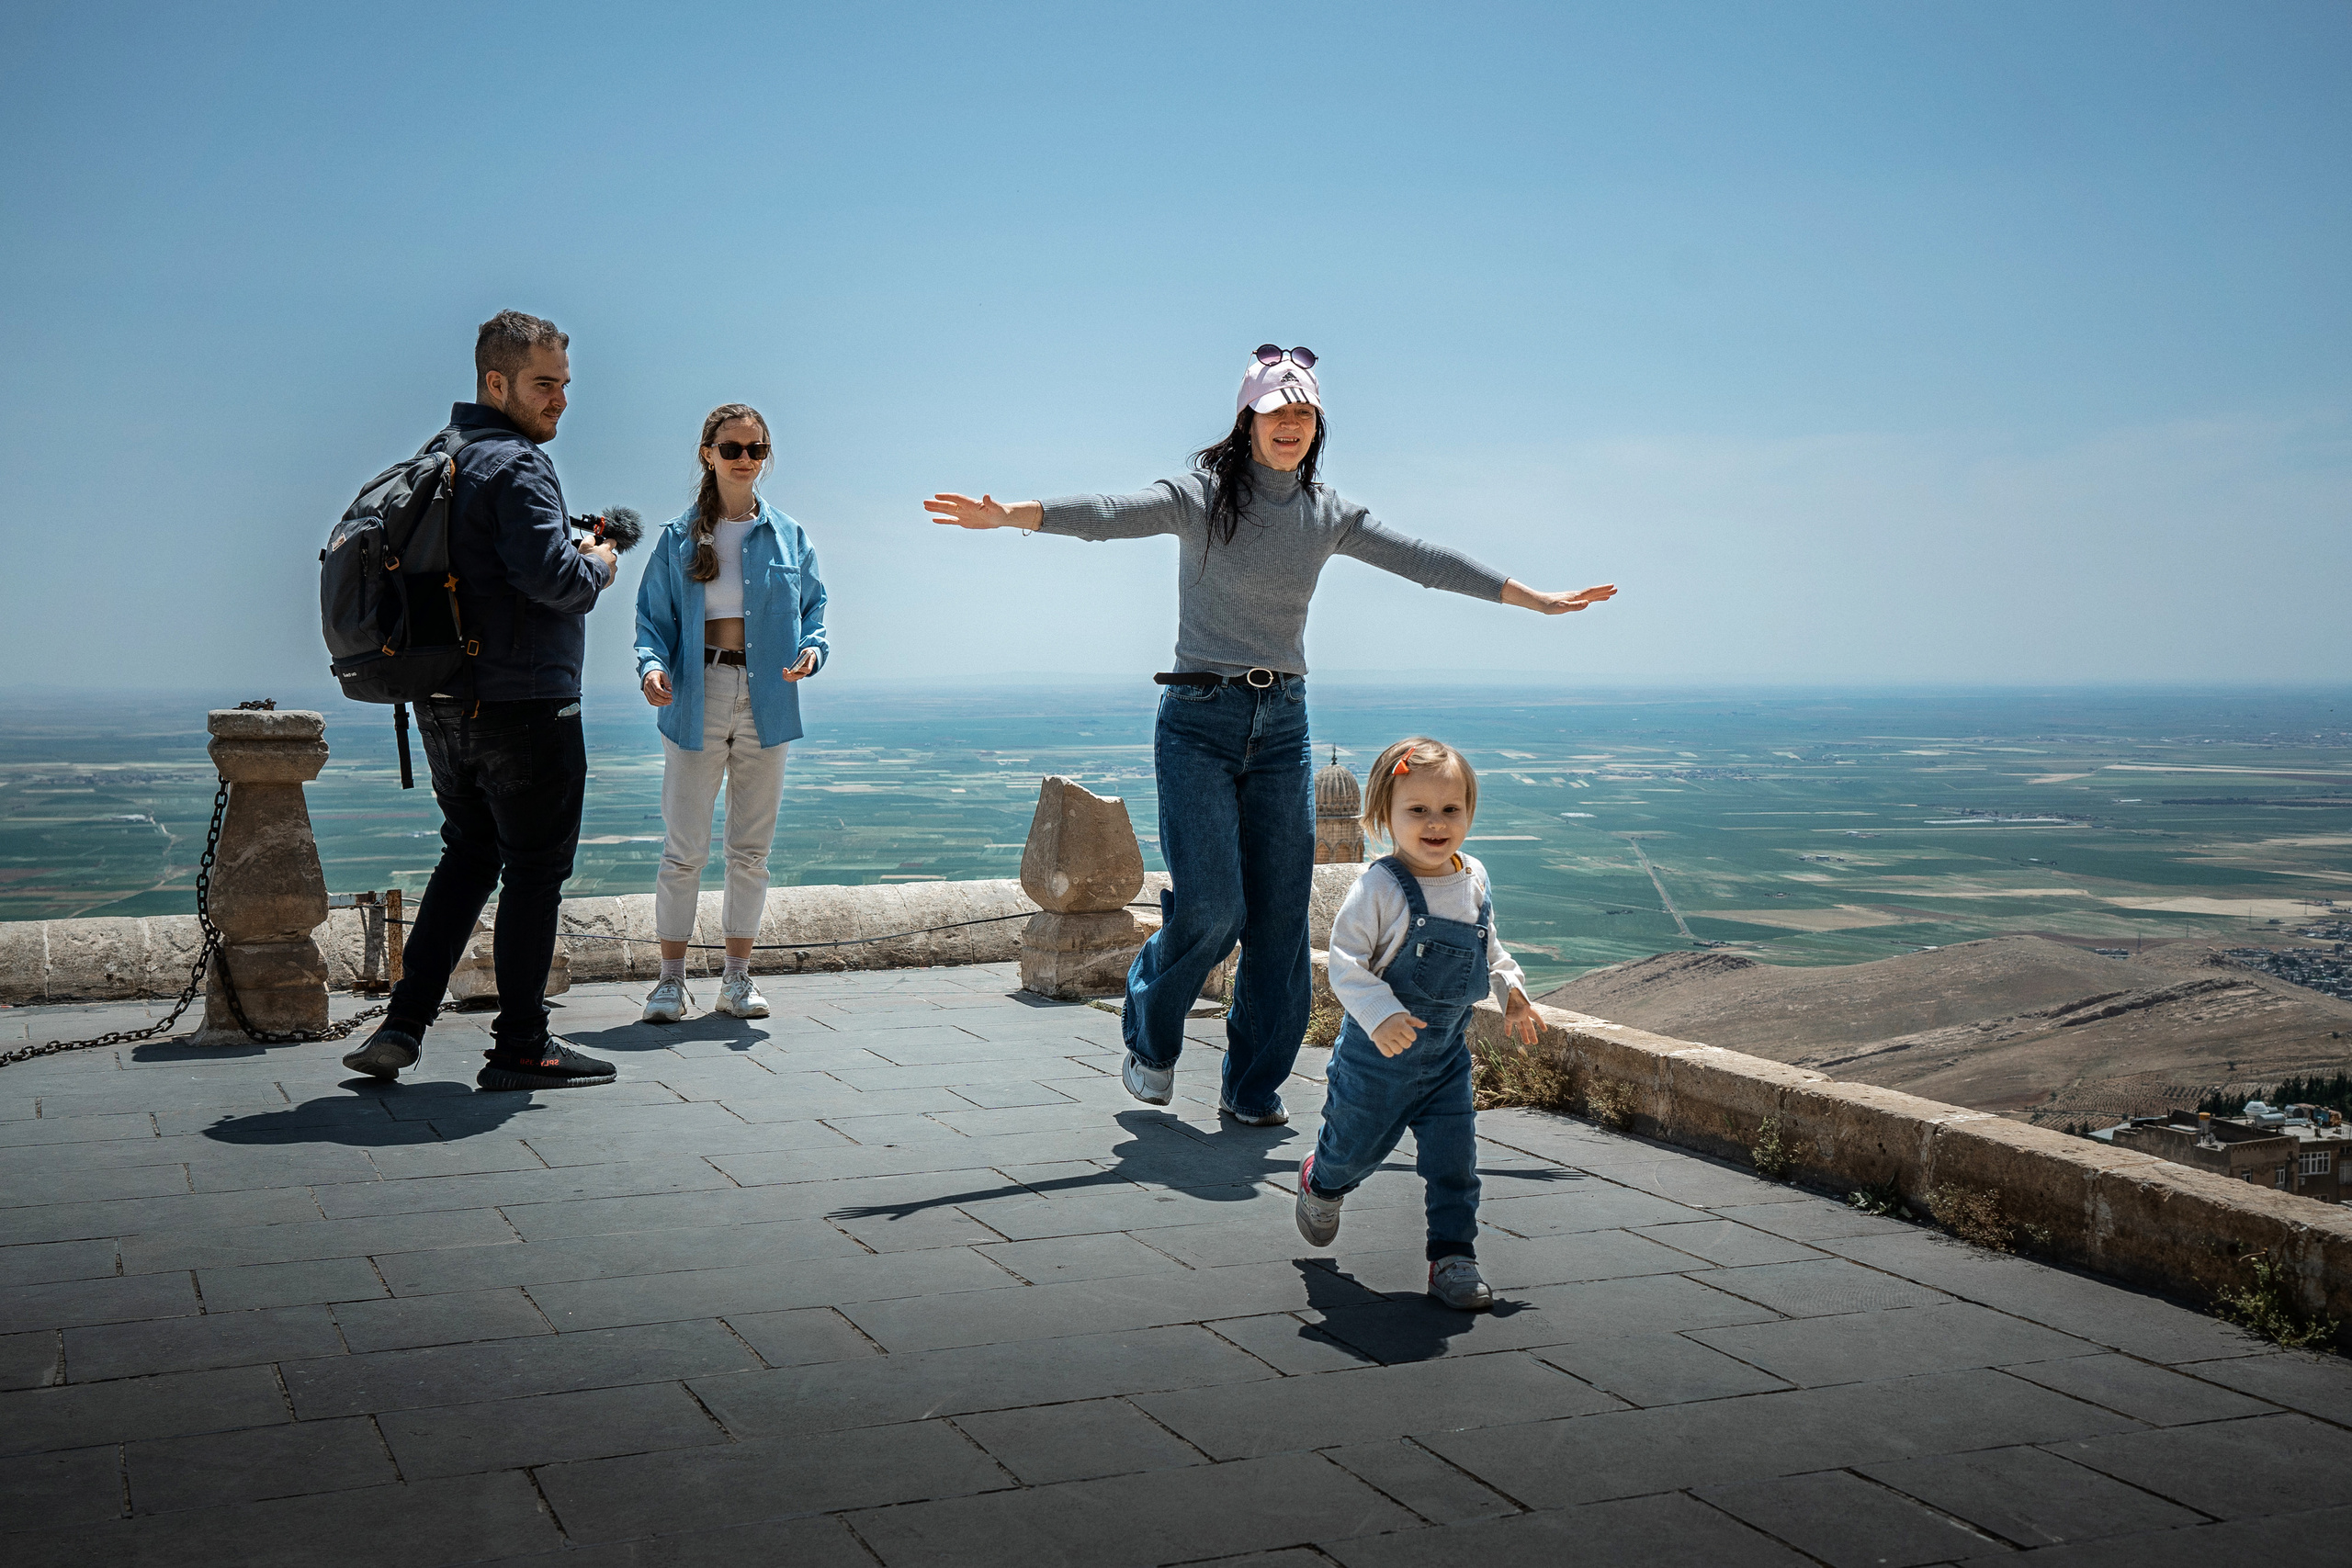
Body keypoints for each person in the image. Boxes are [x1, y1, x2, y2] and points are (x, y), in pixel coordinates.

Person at [926, 346, 1611, 1126]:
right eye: (1275, 411)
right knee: (1214, 908)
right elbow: (1112, 516)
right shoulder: (1200, 496)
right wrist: (1016, 515)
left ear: (1316, 426)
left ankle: (1251, 1087)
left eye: (1303, 413)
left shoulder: (1327, 514)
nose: (1290, 424)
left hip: (1283, 722)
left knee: (1281, 921)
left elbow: (1423, 560)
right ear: (1247, 420)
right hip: (1199, 719)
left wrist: (1533, 600)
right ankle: (1151, 1038)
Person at [343, 310, 622, 1091]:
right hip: (526, 706)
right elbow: (557, 582)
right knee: (535, 873)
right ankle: (522, 1045)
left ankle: (403, 1022)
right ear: (495, 382)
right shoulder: (518, 466)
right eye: (544, 384)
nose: (559, 400)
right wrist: (598, 560)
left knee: (467, 858)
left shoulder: (444, 458)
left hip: (440, 703)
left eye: (565, 385)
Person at [1295, 737, 1540, 1311]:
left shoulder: (1473, 878)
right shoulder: (1379, 886)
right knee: (1352, 1153)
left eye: (1450, 810)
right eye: (1418, 811)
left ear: (1471, 814)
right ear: (1384, 817)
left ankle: (1453, 1257)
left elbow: (1490, 949)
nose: (1436, 824)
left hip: (1446, 1060)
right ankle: (1321, 1181)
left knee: (1455, 1163)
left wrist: (1514, 993)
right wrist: (1379, 1017)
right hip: (1373, 1063)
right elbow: (1346, 963)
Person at [632, 404, 829, 1021]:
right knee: (683, 847)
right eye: (732, 448)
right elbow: (651, 621)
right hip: (698, 691)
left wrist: (813, 652)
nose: (745, 459)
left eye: (755, 448)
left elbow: (816, 612)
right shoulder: (676, 537)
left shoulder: (791, 535)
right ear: (707, 454)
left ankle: (737, 977)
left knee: (750, 850)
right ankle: (670, 980)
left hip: (768, 695)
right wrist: (650, 666)